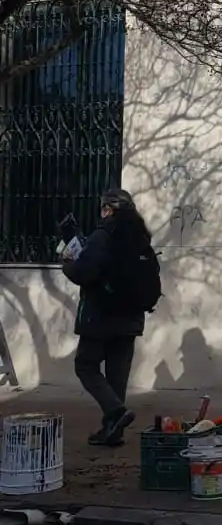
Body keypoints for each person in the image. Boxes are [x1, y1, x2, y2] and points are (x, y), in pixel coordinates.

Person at [62, 187, 157, 447]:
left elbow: (83, 272)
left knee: (86, 365)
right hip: (132, 318)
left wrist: (68, 262)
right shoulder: (140, 237)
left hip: (101, 315)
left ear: (107, 209)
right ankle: (113, 431)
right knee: (117, 376)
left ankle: (116, 413)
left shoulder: (103, 235)